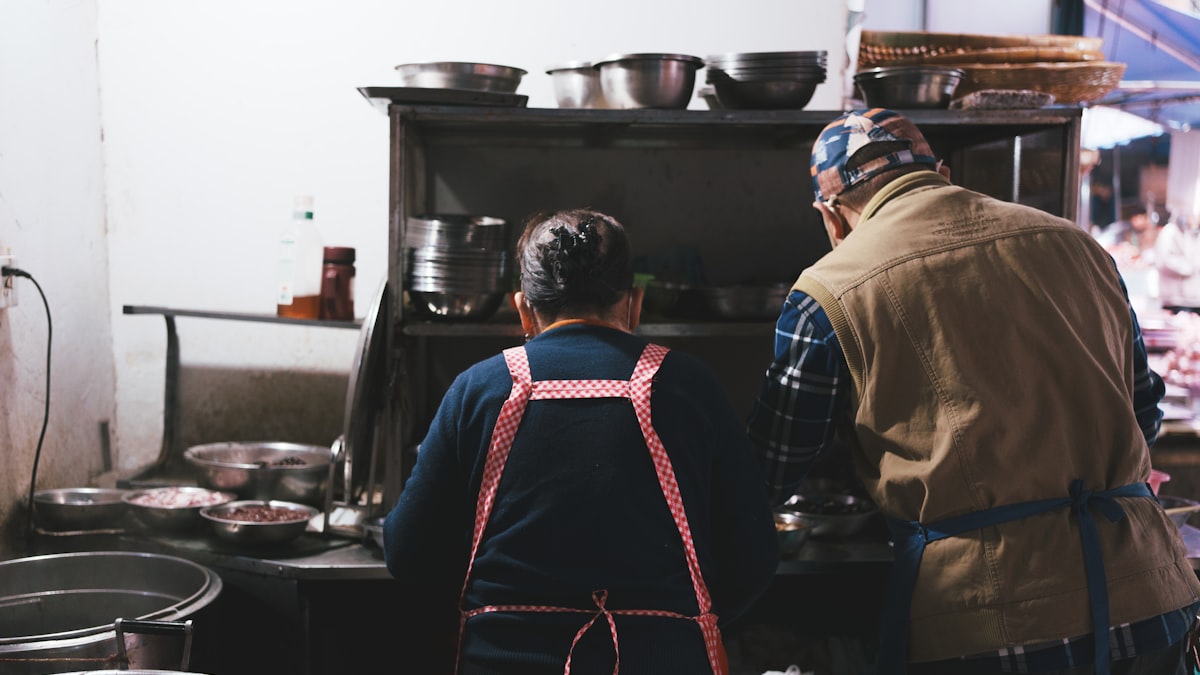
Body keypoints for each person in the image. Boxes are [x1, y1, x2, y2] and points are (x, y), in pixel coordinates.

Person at [746, 108, 1200, 675]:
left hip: (991, 618)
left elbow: (769, 470)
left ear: (831, 216)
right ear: (941, 171)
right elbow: (1142, 413)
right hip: (1148, 596)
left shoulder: (828, 290)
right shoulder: (1078, 246)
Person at [384, 208, 779, 674]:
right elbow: (754, 556)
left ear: (523, 310)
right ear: (635, 303)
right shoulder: (688, 385)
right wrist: (674, 625)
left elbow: (407, 551)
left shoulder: (479, 389)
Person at [1156, 211, 1200, 313]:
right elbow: (1164, 260)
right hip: (1175, 301)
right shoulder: (1169, 232)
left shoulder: (1195, 233)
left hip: (1196, 300)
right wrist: (1189, 267)